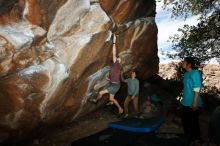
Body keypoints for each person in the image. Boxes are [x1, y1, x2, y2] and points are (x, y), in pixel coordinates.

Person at [90, 34, 123, 115]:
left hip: (114, 86)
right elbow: (114, 75)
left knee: (101, 93)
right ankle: (120, 109)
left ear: (118, 61)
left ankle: (95, 100)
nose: (118, 58)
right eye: (119, 58)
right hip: (115, 84)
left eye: (119, 59)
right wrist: (109, 78)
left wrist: (114, 42)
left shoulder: (116, 64)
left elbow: (114, 53)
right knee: (112, 99)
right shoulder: (115, 66)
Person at [181, 57, 203, 145]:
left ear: (189, 64)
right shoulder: (186, 74)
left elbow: (197, 87)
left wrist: (194, 102)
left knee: (193, 123)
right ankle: (188, 139)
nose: (182, 63)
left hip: (193, 102)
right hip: (185, 102)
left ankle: (197, 140)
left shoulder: (195, 73)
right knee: (185, 122)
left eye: (184, 62)